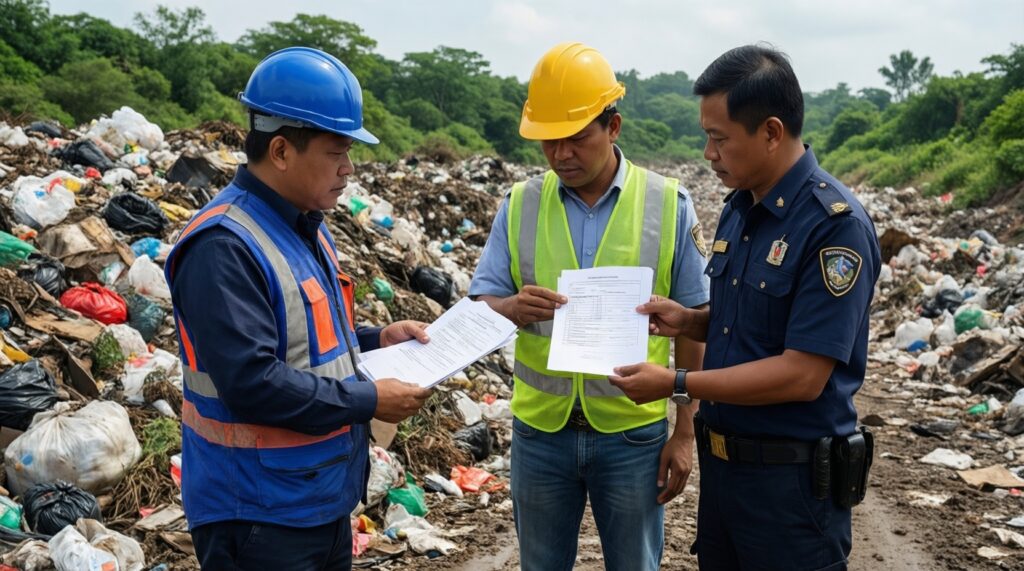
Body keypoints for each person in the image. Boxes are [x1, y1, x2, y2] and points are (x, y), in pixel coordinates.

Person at [609, 45, 881, 570]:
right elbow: (750, 319)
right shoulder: (742, 207)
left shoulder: (833, 226)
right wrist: (691, 320)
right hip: (727, 478)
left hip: (791, 490)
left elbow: (802, 374)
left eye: (719, 138)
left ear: (772, 133)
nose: (708, 153)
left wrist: (676, 384)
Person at [164, 47, 432, 570]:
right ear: (282, 151)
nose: (349, 170)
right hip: (258, 515)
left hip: (317, 499)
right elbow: (252, 381)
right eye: (337, 153)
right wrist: (368, 400)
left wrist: (379, 338)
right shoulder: (225, 245)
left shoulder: (303, 225)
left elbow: (307, 339)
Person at [470, 42, 711, 571]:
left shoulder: (667, 204)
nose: (561, 155)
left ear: (614, 127)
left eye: (577, 139)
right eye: (549, 142)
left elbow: (694, 325)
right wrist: (510, 307)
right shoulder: (518, 205)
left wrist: (685, 430)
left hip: (632, 435)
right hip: (540, 435)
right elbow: (481, 303)